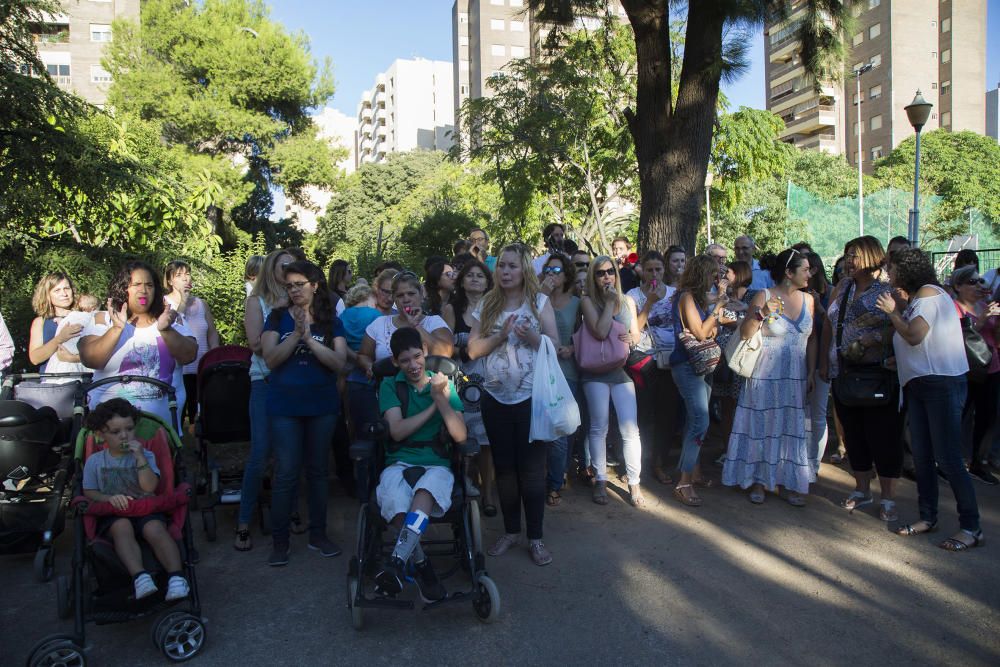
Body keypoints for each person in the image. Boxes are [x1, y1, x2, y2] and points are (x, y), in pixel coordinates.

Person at [877, 247, 983, 551]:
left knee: (948, 458)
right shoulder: (921, 297)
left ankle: (971, 527)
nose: (888, 273)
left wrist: (892, 312)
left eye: (891, 267)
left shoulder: (928, 295)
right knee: (922, 456)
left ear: (905, 269)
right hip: (922, 384)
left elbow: (914, 335)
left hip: (940, 385)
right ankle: (928, 517)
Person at [468, 243, 559, 566]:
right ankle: (510, 531)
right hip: (494, 398)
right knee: (505, 470)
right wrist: (499, 337)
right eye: (501, 266)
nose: (505, 272)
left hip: (531, 399)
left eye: (512, 266)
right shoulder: (487, 304)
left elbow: (556, 345)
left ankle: (535, 538)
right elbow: (473, 350)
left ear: (524, 271)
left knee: (533, 472)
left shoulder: (539, 302)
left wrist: (534, 339)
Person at [261, 260, 348, 566]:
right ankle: (280, 541)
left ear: (314, 285)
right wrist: (297, 335)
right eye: (289, 285)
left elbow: (339, 363)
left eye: (299, 284)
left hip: (321, 405)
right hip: (284, 406)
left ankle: (318, 534)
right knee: (285, 472)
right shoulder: (276, 317)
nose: (294, 290)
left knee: (318, 471)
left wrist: (310, 337)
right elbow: (270, 359)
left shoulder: (329, 320)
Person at [372, 327, 467, 601]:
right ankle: (421, 564)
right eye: (405, 361)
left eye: (417, 357)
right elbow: (398, 431)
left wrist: (442, 398)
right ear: (395, 362)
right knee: (394, 497)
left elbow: (460, 435)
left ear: (425, 352)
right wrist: (433, 406)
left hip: (436, 461)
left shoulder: (443, 385)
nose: (413, 365)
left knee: (426, 491)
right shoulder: (390, 385)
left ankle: (399, 562)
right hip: (399, 460)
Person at [723, 249, 816, 505]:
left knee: (790, 425)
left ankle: (789, 481)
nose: (810, 273)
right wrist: (762, 313)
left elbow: (812, 339)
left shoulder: (809, 300)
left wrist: (810, 372)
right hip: (765, 373)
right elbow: (745, 332)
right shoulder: (764, 295)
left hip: (795, 375)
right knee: (762, 424)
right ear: (789, 272)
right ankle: (758, 480)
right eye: (805, 269)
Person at [81, 398, 190, 601]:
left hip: (146, 508)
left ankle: (177, 578)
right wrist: (109, 498)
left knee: (155, 528)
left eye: (129, 429)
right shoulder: (95, 461)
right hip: (115, 513)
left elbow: (150, 487)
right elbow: (89, 491)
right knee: (121, 527)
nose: (124, 435)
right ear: (100, 434)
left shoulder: (146, 455)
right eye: (115, 432)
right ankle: (140, 577)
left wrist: (140, 458)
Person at [234, 248, 304, 552]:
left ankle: (287, 512)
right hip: (264, 381)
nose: (287, 269)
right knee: (261, 453)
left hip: (293, 384)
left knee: (288, 455)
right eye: (282, 265)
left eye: (292, 265)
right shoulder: (257, 301)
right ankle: (244, 521)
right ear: (271, 270)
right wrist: (279, 321)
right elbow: (255, 344)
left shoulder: (300, 302)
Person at [79, 261, 197, 426]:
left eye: (149, 285)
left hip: (162, 429)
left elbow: (189, 355)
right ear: (122, 288)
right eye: (136, 284)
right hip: (109, 429)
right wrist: (116, 329)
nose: (143, 290)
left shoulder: (172, 318)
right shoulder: (103, 319)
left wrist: (165, 330)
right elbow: (90, 359)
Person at [579, 256, 644, 507]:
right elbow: (600, 331)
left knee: (631, 429)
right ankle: (601, 480)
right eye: (600, 273)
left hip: (619, 371)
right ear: (593, 278)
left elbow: (636, 332)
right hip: (594, 372)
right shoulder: (587, 301)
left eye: (611, 272)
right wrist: (607, 304)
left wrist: (632, 337)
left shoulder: (628, 301)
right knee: (598, 427)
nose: (607, 276)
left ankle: (635, 482)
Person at [442, 258, 498, 515]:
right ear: (461, 281)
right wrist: (467, 351)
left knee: (487, 440)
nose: (475, 279)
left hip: (490, 377)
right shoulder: (451, 309)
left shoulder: (495, 309)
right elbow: (442, 347)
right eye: (470, 275)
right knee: (461, 434)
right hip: (460, 377)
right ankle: (463, 485)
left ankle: (487, 493)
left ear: (488, 282)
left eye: (480, 275)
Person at [670, 255, 724, 507]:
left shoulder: (695, 298)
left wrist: (712, 321)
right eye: (713, 274)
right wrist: (717, 310)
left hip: (698, 366)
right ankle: (683, 482)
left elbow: (709, 330)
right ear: (702, 273)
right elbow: (703, 332)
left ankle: (693, 473)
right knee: (700, 421)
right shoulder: (687, 297)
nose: (716, 279)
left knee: (695, 421)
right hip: (687, 366)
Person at [951, 265, 1000, 485]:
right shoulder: (954, 308)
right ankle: (949, 459)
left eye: (980, 281)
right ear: (958, 286)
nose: (979, 285)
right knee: (958, 416)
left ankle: (978, 463)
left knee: (987, 417)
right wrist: (982, 320)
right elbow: (958, 338)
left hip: (991, 368)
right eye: (972, 282)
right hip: (966, 370)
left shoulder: (985, 305)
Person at [538, 253, 580, 507]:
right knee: (541, 430)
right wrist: (541, 293)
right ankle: (545, 477)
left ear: (567, 274)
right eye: (548, 269)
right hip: (538, 374)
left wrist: (572, 348)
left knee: (562, 430)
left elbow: (586, 334)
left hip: (566, 372)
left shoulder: (577, 302)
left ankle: (555, 481)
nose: (552, 274)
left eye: (558, 269)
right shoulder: (535, 298)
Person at [163, 260, 220, 426]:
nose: (185, 278)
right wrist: (182, 302)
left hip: (201, 366)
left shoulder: (201, 303)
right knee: (177, 412)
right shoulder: (164, 303)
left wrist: (214, 355)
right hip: (176, 368)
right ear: (169, 281)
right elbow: (174, 325)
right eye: (179, 275)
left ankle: (198, 448)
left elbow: (212, 332)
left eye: (187, 274)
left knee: (200, 414)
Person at [28, 272, 84, 373]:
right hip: (52, 383)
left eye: (67, 288)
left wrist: (74, 358)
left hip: (85, 380)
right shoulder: (41, 322)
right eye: (57, 290)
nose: (64, 294)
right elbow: (35, 359)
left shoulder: (84, 317)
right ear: (47, 295)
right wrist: (59, 339)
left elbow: (100, 354)